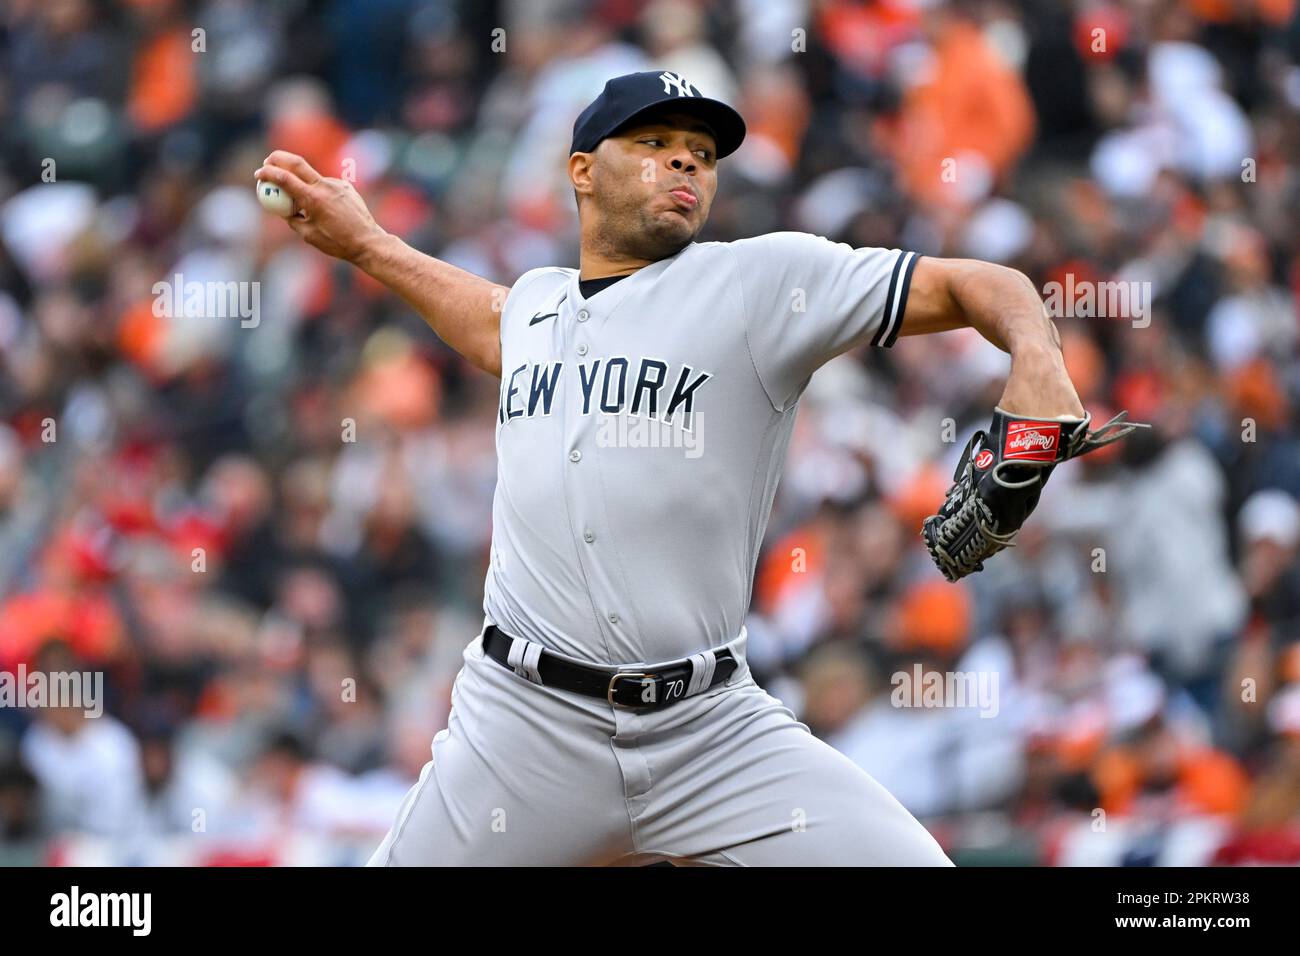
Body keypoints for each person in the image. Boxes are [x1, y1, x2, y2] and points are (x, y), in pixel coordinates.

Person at [254, 71, 1085, 866]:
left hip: (711, 731)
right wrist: (366, 244)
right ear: (582, 170)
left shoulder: (761, 284)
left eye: (701, 149)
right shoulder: (537, 306)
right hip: (522, 727)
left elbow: (980, 283)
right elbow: (482, 318)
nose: (686, 158)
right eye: (654, 140)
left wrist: (1038, 361)